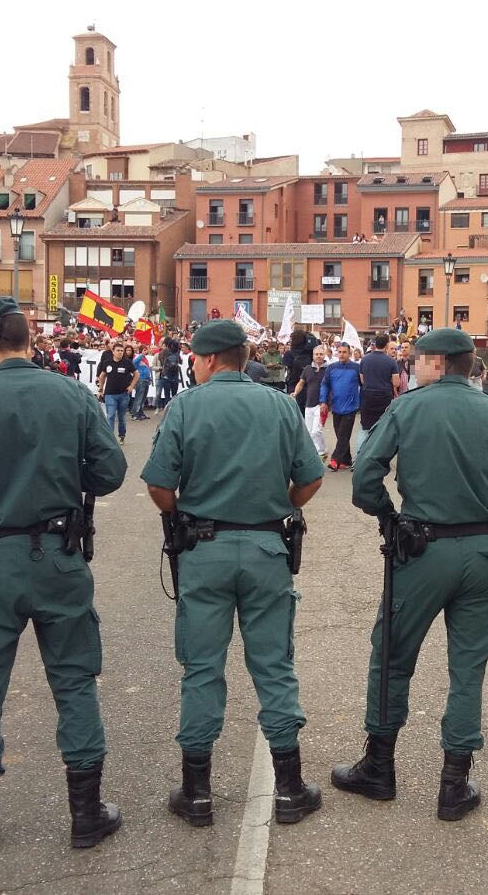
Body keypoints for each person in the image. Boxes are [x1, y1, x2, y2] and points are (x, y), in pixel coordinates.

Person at [0, 297, 127, 854]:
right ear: (29, 340)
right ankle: (86, 816)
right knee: (74, 683)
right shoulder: (71, 394)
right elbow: (110, 472)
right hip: (60, 557)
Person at [335, 327, 488, 822]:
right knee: (468, 668)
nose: (412, 367)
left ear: (440, 364)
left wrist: (388, 515)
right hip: (483, 552)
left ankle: (379, 769)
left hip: (422, 550)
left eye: (419, 360)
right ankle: (454, 785)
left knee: (392, 657)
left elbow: (365, 476)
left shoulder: (410, 407)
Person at [141, 319, 324, 828]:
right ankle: (289, 788)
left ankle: (197, 792)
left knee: (202, 669)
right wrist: (276, 507)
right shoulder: (280, 404)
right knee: (274, 667)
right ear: (242, 358)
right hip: (267, 546)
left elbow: (159, 484)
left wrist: (180, 516)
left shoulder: (185, 406)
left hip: (204, 548)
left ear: (208, 359)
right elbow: (310, 477)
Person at [357, 334, 401, 451]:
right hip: (384, 396)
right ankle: (378, 454)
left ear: (375, 344)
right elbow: (396, 383)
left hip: (368, 396)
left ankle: (358, 458)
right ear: (386, 345)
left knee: (365, 428)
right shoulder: (391, 362)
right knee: (382, 427)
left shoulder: (364, 359)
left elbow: (362, 380)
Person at [322, 342, 362, 470]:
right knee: (340, 434)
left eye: (344, 352)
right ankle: (346, 460)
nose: (341, 354)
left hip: (351, 407)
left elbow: (364, 385)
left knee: (344, 434)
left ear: (349, 353)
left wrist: (363, 402)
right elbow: (325, 384)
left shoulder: (357, 367)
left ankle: (335, 460)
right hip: (336, 406)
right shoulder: (331, 368)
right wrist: (323, 401)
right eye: (339, 352)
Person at [292, 344, 329, 463]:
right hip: (309, 404)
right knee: (308, 431)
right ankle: (313, 454)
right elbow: (301, 383)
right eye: (316, 354)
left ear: (324, 355)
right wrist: (295, 393)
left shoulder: (329, 369)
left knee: (316, 431)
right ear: (313, 356)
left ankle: (322, 452)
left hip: (321, 404)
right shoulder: (308, 369)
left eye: (321, 354)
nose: (318, 356)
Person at [97, 343, 137, 444]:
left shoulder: (127, 363)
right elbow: (102, 376)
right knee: (110, 416)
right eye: (118, 350)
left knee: (121, 417)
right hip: (110, 394)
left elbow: (136, 374)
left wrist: (131, 386)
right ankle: (110, 438)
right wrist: (100, 389)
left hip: (123, 394)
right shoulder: (107, 362)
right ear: (113, 351)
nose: (120, 352)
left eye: (121, 351)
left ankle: (122, 435)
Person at [132, 347, 153, 420]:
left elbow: (146, 368)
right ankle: (135, 414)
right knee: (139, 397)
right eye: (145, 349)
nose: (146, 351)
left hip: (146, 379)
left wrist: (149, 377)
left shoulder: (145, 358)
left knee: (143, 398)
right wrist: (141, 355)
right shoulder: (138, 356)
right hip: (140, 379)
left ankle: (140, 412)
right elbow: (133, 363)